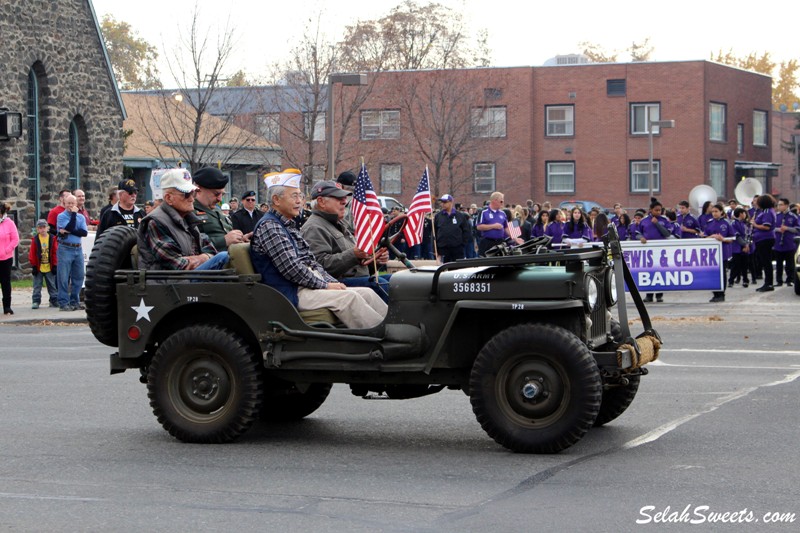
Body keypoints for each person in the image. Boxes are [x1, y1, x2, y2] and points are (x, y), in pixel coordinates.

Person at [250, 170, 387, 329]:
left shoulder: (288, 226)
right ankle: (383, 339)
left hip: (305, 286)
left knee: (367, 293)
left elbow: (311, 262)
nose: (299, 201)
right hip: (289, 292)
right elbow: (292, 269)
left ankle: (396, 329)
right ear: (276, 200)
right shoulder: (270, 227)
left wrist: (331, 282)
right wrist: (326, 285)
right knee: (349, 298)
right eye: (294, 196)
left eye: (300, 196)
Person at [301, 180, 391, 302]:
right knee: (382, 284)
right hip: (335, 285)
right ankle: (396, 320)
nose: (344, 201)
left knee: (398, 280)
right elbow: (318, 267)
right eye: (338, 198)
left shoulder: (340, 224)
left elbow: (360, 267)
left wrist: (376, 261)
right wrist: (353, 254)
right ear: (321, 201)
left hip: (356, 280)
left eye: (344, 198)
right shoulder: (314, 227)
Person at [137, 169, 229, 271]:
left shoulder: (188, 219)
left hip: (187, 279)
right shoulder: (155, 222)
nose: (192, 199)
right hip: (171, 282)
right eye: (186, 194)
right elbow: (177, 264)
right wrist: (204, 258)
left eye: (193, 193)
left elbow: (211, 250)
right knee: (223, 257)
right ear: (168, 198)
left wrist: (202, 257)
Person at [192, 167, 246, 252]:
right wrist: (224, 241)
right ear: (199, 189)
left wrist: (240, 238)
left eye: (222, 194)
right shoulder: (190, 212)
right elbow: (193, 245)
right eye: (216, 194)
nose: (220, 199)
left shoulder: (217, 211)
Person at [56, 194, 88, 311]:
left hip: (77, 248)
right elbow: (69, 227)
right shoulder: (61, 216)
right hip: (65, 248)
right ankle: (63, 302)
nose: (70, 205)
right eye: (68, 203)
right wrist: (73, 215)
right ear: (64, 204)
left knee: (78, 276)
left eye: (72, 203)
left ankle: (75, 301)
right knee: (63, 277)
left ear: (76, 204)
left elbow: (84, 233)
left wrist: (69, 231)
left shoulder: (81, 218)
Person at [637, 199, 673, 303]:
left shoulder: (664, 220)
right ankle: (649, 295)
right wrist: (641, 238)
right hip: (648, 252)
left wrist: (657, 224)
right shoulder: (644, 221)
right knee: (649, 272)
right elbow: (637, 233)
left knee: (660, 272)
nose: (658, 212)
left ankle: (659, 295)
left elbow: (667, 234)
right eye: (656, 210)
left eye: (660, 210)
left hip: (661, 252)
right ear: (651, 210)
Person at [704, 203, 736, 303]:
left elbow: (732, 238)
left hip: (723, 251)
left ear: (721, 212)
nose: (714, 214)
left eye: (716, 211)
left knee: (722, 273)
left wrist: (723, 239)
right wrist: (711, 237)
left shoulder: (726, 223)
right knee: (712, 273)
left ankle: (721, 294)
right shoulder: (709, 223)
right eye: (712, 212)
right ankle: (715, 293)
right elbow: (704, 237)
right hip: (712, 253)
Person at [28, 219, 58, 309]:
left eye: (44, 227)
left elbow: (55, 252)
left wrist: (55, 265)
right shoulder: (35, 239)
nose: (42, 229)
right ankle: (36, 301)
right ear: (37, 229)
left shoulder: (52, 238)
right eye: (40, 228)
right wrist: (33, 265)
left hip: (49, 266)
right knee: (37, 285)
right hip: (39, 266)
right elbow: (32, 253)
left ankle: (54, 300)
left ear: (48, 228)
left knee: (52, 285)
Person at [751, 194, 777, 292]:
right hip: (761, 239)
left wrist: (755, 224)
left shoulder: (767, 212)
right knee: (765, 262)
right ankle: (767, 283)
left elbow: (766, 227)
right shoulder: (765, 211)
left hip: (765, 239)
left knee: (766, 262)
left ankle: (769, 283)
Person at [434, 194, 471, 263]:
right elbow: (435, 232)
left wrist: (462, 244)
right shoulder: (438, 216)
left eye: (445, 202)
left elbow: (466, 231)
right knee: (444, 269)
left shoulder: (460, 216)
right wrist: (436, 248)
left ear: (451, 202)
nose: (443, 204)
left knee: (458, 268)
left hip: (457, 248)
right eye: (442, 202)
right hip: (443, 248)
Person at [773, 197, 799, 287]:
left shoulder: (794, 216)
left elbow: (797, 229)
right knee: (778, 264)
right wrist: (778, 229)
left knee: (790, 264)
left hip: (789, 243)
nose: (779, 206)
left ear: (786, 205)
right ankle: (779, 281)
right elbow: (771, 228)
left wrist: (787, 228)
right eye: (778, 205)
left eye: (781, 205)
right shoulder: (776, 216)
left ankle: (790, 280)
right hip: (778, 244)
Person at [0, 202, 20, 315]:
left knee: (5, 282)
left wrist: (6, 251)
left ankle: (7, 306)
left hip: (6, 258)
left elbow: (15, 240)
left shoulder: (9, 223)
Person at [728, 207, 751, 288]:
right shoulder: (734, 223)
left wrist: (747, 244)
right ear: (741, 214)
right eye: (744, 213)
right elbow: (737, 236)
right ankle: (731, 280)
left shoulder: (745, 224)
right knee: (736, 265)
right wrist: (744, 245)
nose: (745, 215)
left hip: (745, 246)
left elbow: (748, 235)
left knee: (745, 265)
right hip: (737, 247)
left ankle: (745, 280)